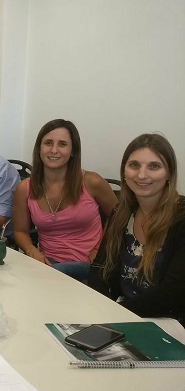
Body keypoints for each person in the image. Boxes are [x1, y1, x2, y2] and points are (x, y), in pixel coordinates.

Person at [89, 133, 185, 323]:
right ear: (124, 172)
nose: (142, 175)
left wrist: (116, 312)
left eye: (154, 166)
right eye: (134, 165)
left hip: (170, 322)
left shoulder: (181, 218)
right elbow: (100, 268)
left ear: (169, 173)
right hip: (122, 315)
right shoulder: (121, 213)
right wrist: (98, 309)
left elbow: (172, 293)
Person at [13, 119, 118, 280]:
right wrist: (32, 251)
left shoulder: (92, 182)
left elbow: (119, 218)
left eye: (62, 144)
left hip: (91, 266)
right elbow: (20, 231)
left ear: (73, 151)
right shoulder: (24, 189)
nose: (54, 150)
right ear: (39, 148)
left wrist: (100, 249)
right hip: (50, 265)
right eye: (48, 143)